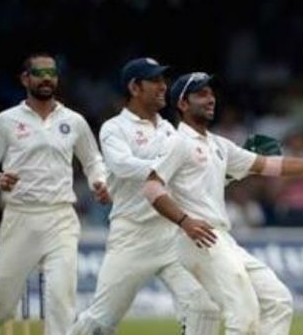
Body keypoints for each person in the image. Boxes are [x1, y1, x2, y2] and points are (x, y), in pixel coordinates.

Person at [141, 72, 303, 334]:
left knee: (279, 300)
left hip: (222, 238)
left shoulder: (219, 145)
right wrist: (185, 221)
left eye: (210, 92)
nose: (210, 98)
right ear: (183, 104)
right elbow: (152, 187)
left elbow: (269, 165)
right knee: (243, 316)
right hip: (198, 239)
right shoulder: (177, 143)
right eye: (201, 94)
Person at [69, 58, 219, 335]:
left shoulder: (168, 129)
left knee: (204, 307)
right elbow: (121, 165)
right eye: (155, 81)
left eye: (164, 80)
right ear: (135, 87)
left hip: (171, 234)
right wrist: (166, 167)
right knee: (99, 323)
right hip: (132, 237)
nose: (164, 86)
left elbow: (188, 172)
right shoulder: (114, 128)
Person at [0, 53, 110, 335]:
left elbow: (93, 160)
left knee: (61, 300)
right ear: (25, 79)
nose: (47, 78)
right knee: (3, 304)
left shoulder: (73, 121)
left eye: (52, 73)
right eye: (39, 73)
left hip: (60, 217)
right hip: (20, 218)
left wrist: (99, 180)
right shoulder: (6, 121)